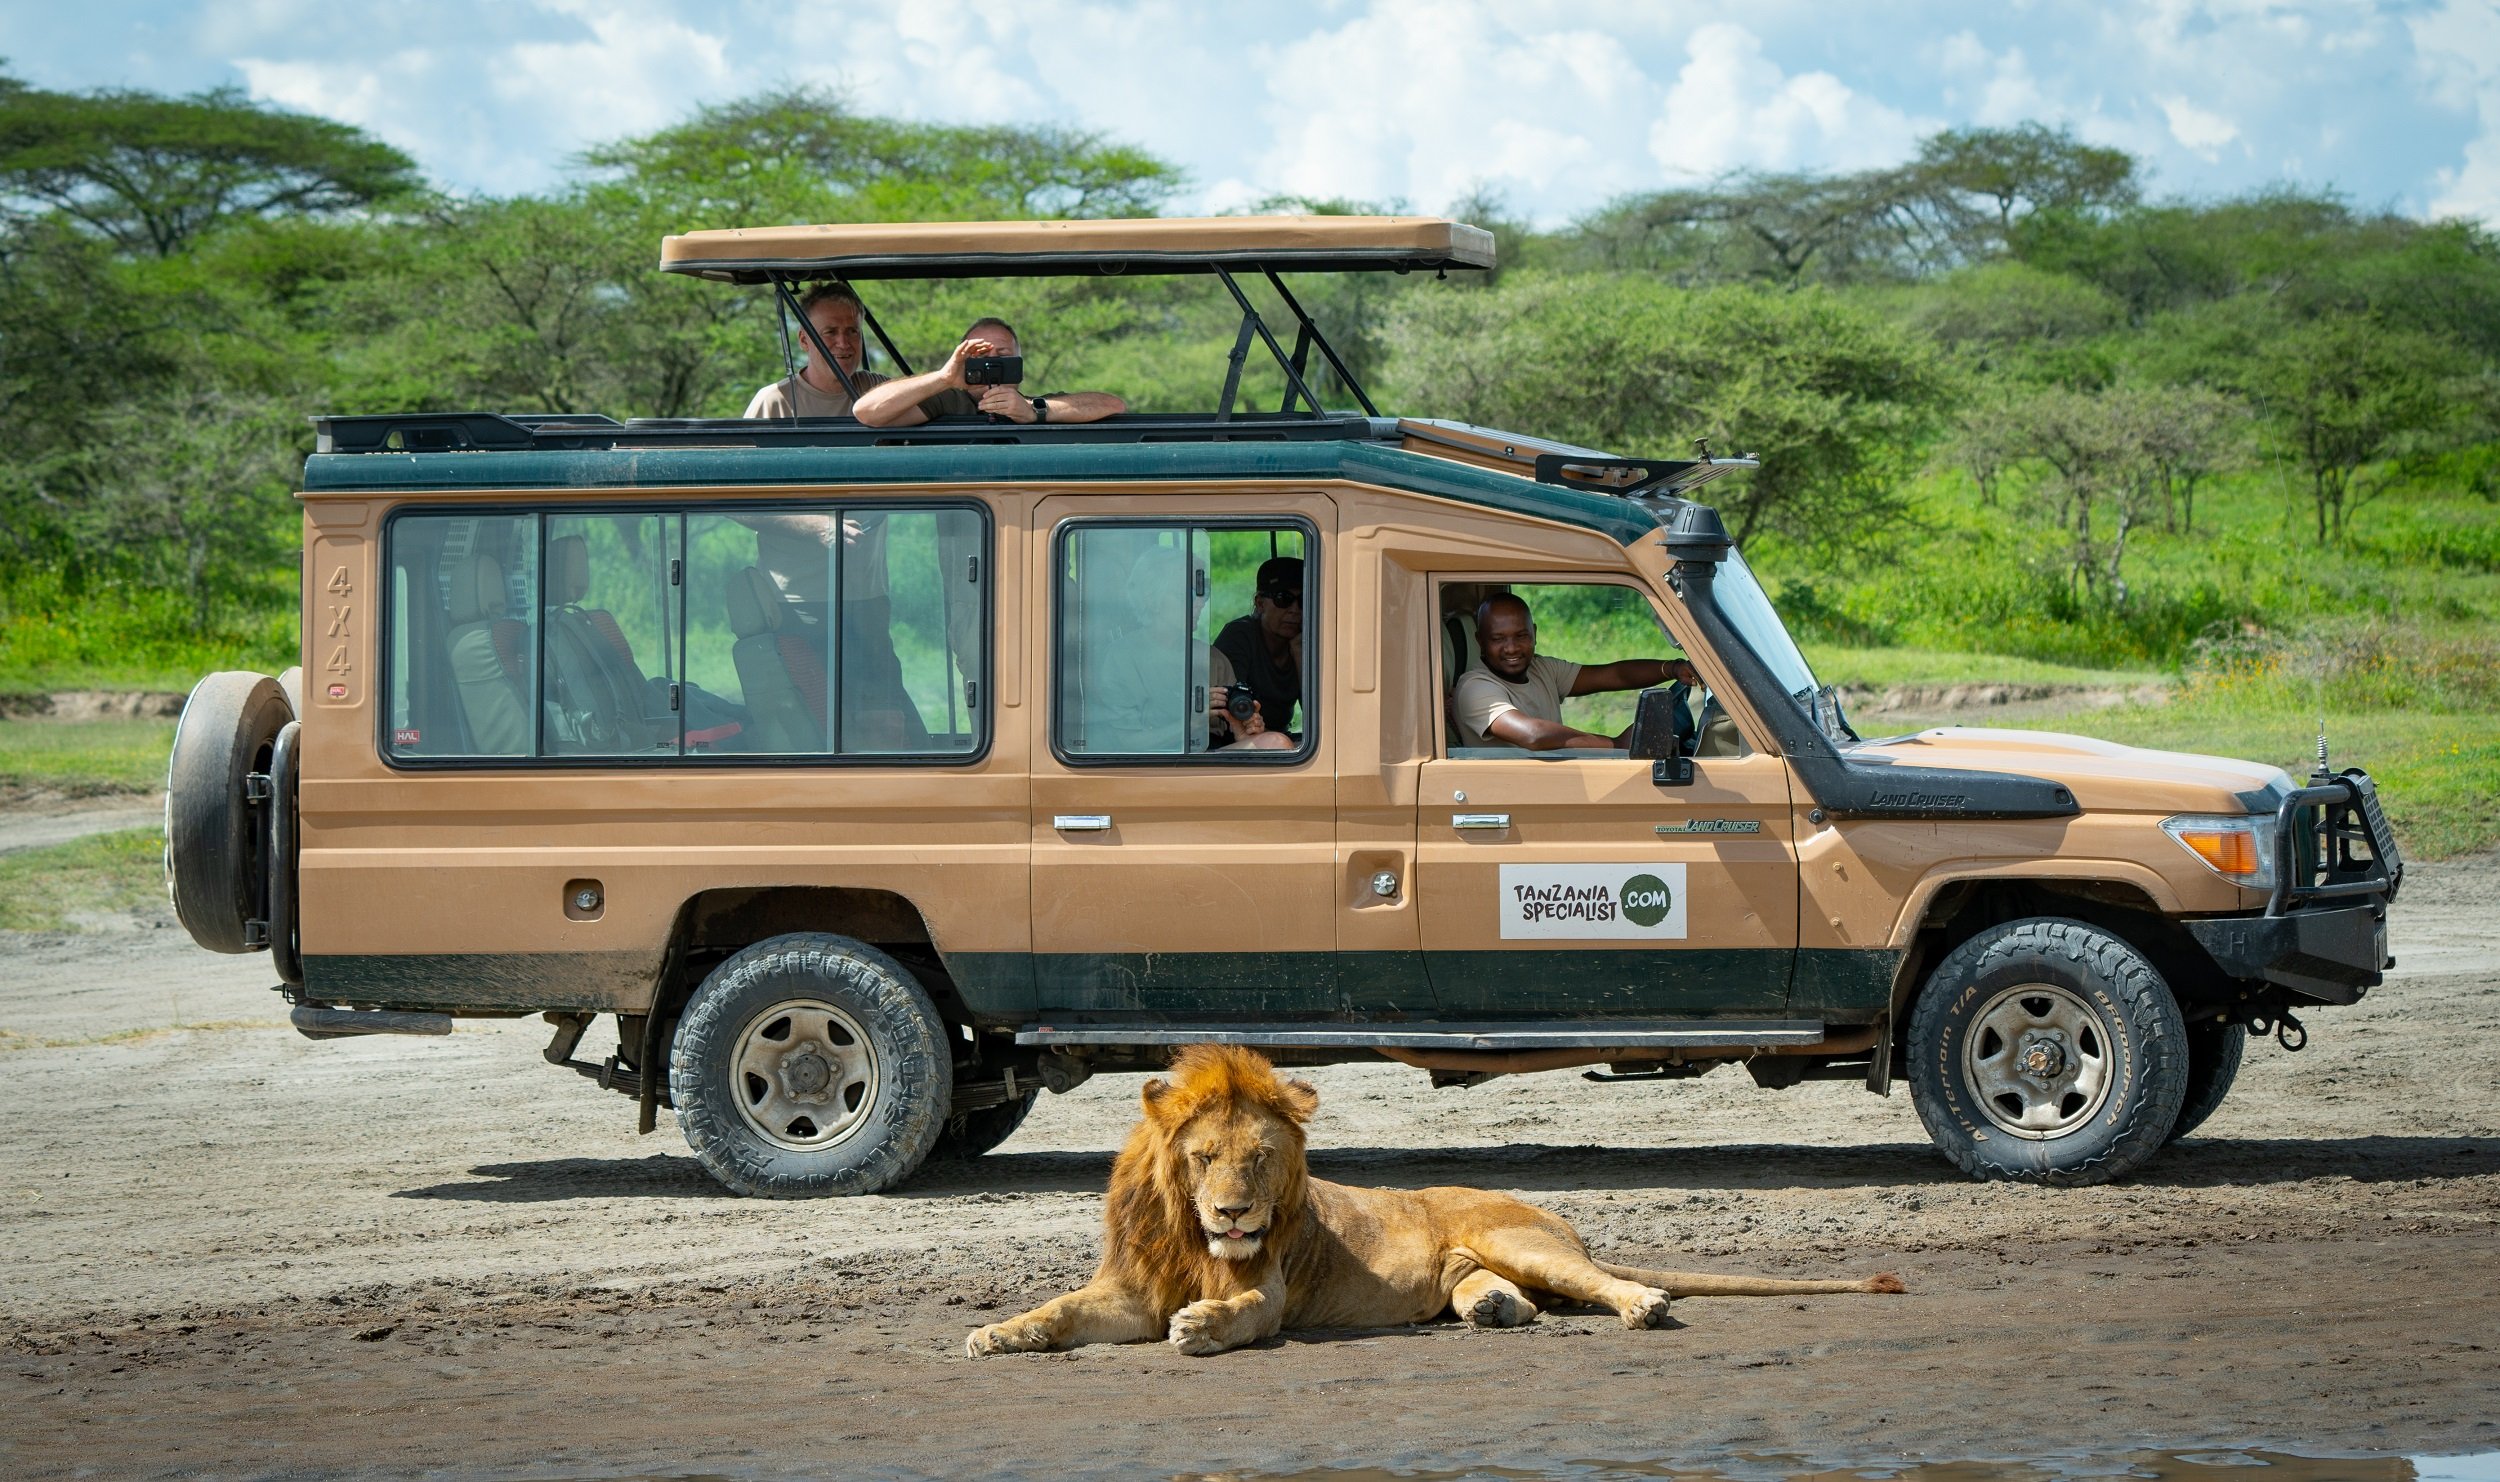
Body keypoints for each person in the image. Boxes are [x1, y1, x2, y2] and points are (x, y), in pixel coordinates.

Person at [1451, 594, 1698, 751]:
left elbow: (1613, 675)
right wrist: (1615, 745)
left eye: (1521, 636)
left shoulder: (1541, 668)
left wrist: (1672, 668)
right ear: (1480, 641)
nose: (1512, 648)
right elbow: (1533, 735)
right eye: (1498, 639)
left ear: (1534, 633)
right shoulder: (1476, 687)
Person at [852, 318, 1126, 428]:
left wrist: (1033, 411)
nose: (991, 363)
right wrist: (944, 378)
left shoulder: (1035, 404)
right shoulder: (947, 401)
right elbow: (867, 411)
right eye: (981, 356)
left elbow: (1112, 405)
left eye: (1003, 356)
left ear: (1019, 366)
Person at [744, 285, 887, 418]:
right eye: (830, 332)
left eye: (852, 331)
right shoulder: (774, 402)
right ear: (804, 340)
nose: (843, 343)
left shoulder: (877, 390)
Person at [1211, 555, 1304, 737]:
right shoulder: (1240, 636)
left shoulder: (1308, 639)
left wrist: (1299, 654)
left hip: (1284, 739)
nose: (1295, 609)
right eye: (1283, 598)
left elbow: (1322, 716)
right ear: (1260, 603)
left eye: (1304, 601)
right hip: (1241, 739)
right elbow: (1232, 710)